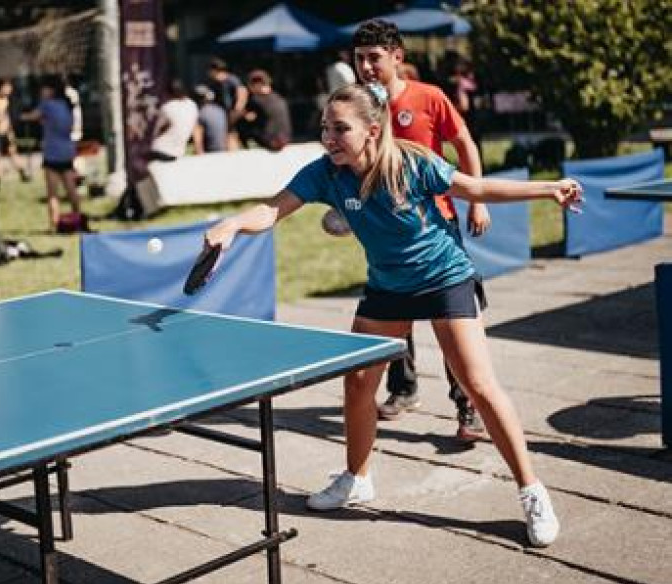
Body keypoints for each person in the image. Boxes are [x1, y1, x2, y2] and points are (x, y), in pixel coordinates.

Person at [203, 82, 581, 547]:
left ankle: (532, 491)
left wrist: (548, 189)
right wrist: (233, 224)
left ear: (372, 130)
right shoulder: (325, 173)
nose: (329, 138)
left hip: (444, 279)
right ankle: (357, 477)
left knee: (478, 385)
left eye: (340, 128)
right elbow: (272, 209)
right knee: (359, 383)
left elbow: (475, 187)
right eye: (325, 128)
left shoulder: (412, 163)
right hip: (388, 287)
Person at [343, 19, 493, 441]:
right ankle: (403, 389)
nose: (366, 67)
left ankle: (468, 406)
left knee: (450, 316)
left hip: (436, 225)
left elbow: (465, 144)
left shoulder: (429, 97)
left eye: (374, 58)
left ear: (397, 57)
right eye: (359, 59)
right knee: (392, 308)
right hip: (384, 228)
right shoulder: (357, 105)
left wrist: (477, 200)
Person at [21, 76, 81, 232]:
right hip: (67, 150)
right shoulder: (67, 104)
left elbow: (33, 116)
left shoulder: (47, 105)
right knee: (71, 188)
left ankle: (54, 224)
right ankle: (78, 217)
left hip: (52, 152)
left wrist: (22, 116)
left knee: (52, 193)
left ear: (51, 90)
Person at [236, 69, 292, 151]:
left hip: (270, 141)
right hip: (285, 139)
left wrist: (241, 100)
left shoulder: (256, 100)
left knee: (241, 125)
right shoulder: (279, 98)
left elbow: (242, 115)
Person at [0, 79, 31, 185]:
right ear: (1, 87)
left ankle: (23, 173)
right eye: (7, 87)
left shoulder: (9, 100)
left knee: (12, 153)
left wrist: (10, 132)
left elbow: (9, 117)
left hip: (6, 132)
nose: (10, 89)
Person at [147, 79, 198, 162]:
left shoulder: (168, 107)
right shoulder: (192, 105)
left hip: (160, 150)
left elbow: (154, 130)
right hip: (179, 152)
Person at [205, 57, 248, 151]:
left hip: (232, 113)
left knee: (232, 133)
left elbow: (242, 92)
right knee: (228, 134)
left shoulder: (231, 80)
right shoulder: (214, 83)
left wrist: (237, 110)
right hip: (223, 113)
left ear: (214, 70)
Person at [193, 85, 227, 154]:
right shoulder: (220, 110)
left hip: (210, 153)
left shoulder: (201, 113)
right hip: (223, 151)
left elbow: (197, 139)